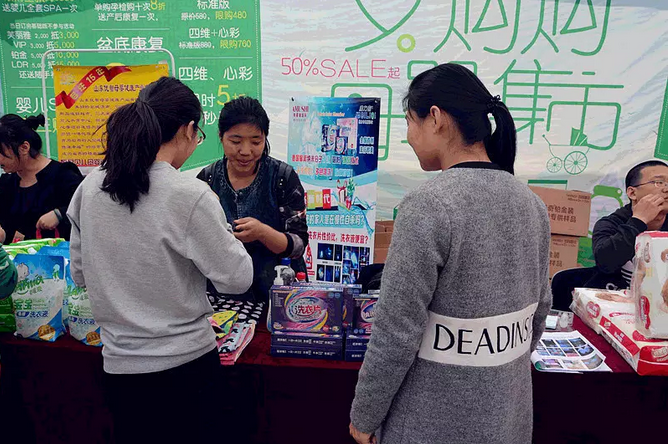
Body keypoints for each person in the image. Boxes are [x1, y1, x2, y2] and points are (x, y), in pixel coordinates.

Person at [348, 63, 552, 444]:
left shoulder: (428, 206)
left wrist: (364, 416)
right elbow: (538, 314)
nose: (408, 137)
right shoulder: (531, 204)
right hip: (508, 419)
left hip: (432, 423)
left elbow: (395, 331)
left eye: (410, 122)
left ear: (436, 118)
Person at [66, 77, 253, 443]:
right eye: (198, 136)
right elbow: (237, 278)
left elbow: (80, 274)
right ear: (187, 129)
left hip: (119, 370)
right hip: (186, 370)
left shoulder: (89, 187)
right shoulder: (189, 193)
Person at [197, 96, 308, 303]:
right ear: (221, 136)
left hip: (277, 297)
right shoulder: (207, 180)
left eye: (256, 142)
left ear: (265, 138)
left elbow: (298, 246)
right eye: (235, 141)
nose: (246, 151)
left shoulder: (282, 177)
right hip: (222, 298)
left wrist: (263, 233)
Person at [0, 114, 82, 243]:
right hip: (20, 256)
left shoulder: (63, 175)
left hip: (61, 254)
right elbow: (7, 227)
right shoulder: (7, 184)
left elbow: (86, 208)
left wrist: (59, 214)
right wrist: (4, 235)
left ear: (24, 148)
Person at [591, 160, 668, 289]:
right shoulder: (611, 223)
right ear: (632, 193)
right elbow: (606, 263)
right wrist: (639, 220)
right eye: (659, 182)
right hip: (616, 296)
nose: (666, 189)